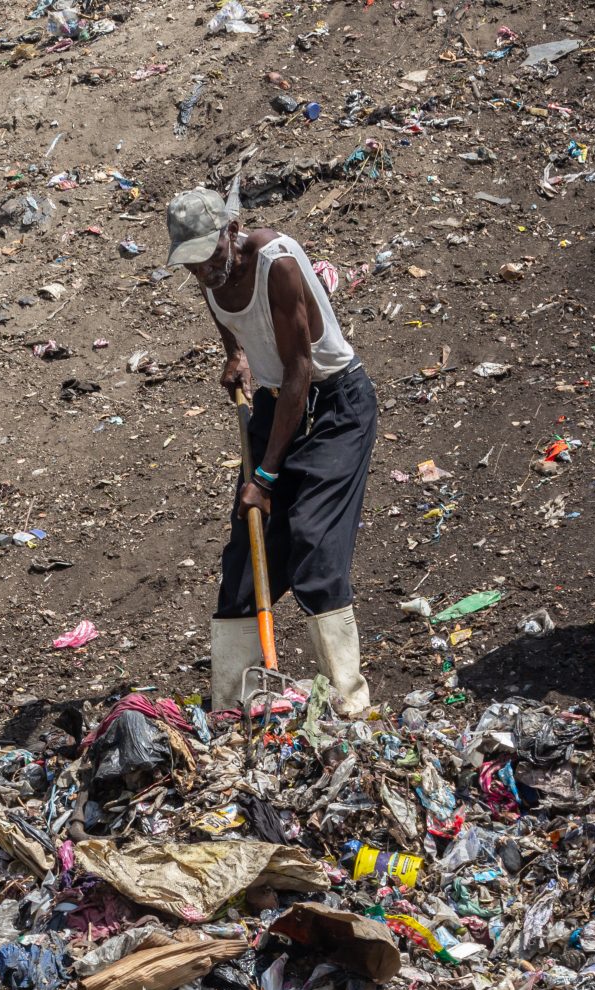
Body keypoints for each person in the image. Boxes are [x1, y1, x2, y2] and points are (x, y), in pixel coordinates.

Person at [166, 186, 377, 715]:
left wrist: (263, 476)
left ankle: (350, 705)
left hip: (333, 405)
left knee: (313, 541)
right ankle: (236, 701)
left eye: (210, 258)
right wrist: (235, 352)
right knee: (245, 554)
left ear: (231, 234)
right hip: (277, 405)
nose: (203, 273)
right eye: (190, 265)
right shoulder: (209, 271)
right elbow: (221, 306)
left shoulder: (276, 263)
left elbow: (300, 370)